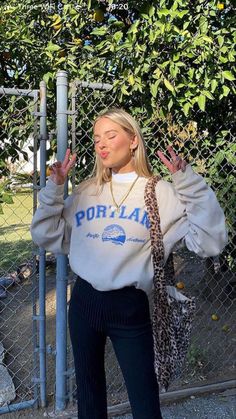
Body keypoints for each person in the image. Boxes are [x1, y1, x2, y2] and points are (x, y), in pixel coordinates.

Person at [30, 107, 227, 419]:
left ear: (133, 140)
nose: (102, 144)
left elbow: (211, 241)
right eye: (97, 139)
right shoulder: (86, 191)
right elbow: (45, 235)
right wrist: (54, 190)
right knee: (89, 396)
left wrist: (187, 182)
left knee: (144, 399)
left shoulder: (160, 192)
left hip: (129, 306)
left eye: (111, 135)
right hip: (84, 303)